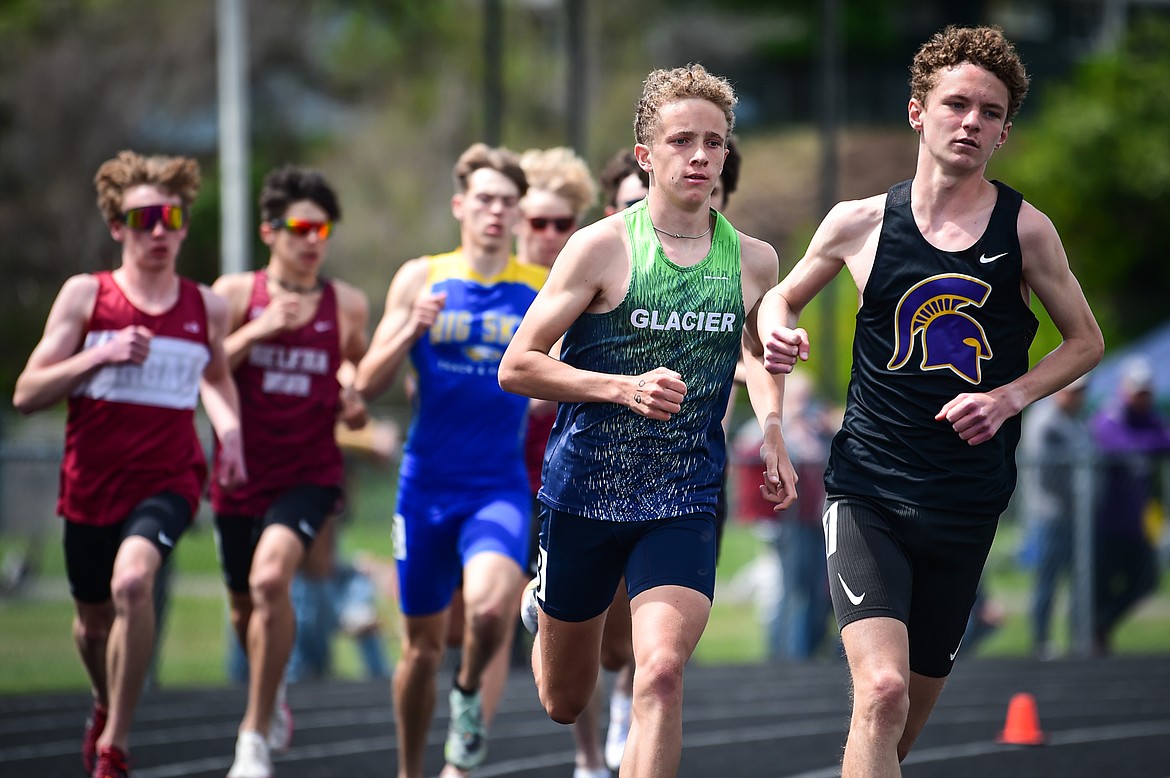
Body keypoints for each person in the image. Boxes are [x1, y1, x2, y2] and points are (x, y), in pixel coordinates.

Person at [758, 25, 1104, 776]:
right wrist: (779, 333)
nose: (971, 121)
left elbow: (1085, 342)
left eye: (989, 112)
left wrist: (1010, 398)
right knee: (878, 692)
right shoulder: (860, 223)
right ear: (919, 112)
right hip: (869, 491)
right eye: (957, 104)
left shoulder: (1027, 232)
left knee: (899, 730)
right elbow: (777, 301)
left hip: (967, 502)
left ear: (1005, 131)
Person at [500, 64, 785, 778]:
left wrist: (773, 430)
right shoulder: (600, 247)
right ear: (645, 155)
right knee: (565, 700)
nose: (698, 156)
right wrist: (620, 387)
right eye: (681, 140)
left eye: (713, 143)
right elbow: (518, 365)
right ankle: (547, 604)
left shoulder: (753, 261)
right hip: (585, 494)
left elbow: (761, 358)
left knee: (659, 672)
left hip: (682, 497)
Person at [11, 150, 246, 778]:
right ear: (118, 228)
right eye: (145, 220)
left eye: (172, 217)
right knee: (91, 628)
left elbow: (217, 379)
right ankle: (102, 702)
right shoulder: (88, 297)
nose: (161, 231)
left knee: (133, 584)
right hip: (91, 484)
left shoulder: (205, 307)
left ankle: (114, 743)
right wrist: (100, 355)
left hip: (168, 480)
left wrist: (231, 436)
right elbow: (27, 394)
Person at [354, 143, 543, 778]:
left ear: (519, 215)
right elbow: (365, 383)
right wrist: (411, 325)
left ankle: (468, 696)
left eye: (508, 202)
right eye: (485, 199)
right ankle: (411, 769)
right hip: (426, 488)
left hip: (498, 486)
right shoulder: (421, 276)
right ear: (460, 206)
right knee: (419, 650)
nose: (496, 211)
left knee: (491, 612)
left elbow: (557, 380)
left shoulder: (537, 285)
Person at [209, 165, 370, 778]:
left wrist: (352, 393)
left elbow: (357, 367)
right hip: (240, 473)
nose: (312, 240)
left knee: (272, 579)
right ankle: (269, 688)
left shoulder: (346, 302)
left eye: (322, 229)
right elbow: (207, 366)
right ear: (269, 231)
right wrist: (261, 328)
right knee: (243, 607)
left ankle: (252, 738)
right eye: (300, 227)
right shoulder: (232, 293)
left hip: (308, 472)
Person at [1090, 356, 1170, 655]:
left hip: (1137, 521)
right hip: (1104, 521)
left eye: (1147, 392)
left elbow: (1164, 439)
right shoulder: (1110, 414)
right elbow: (1116, 444)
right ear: (1124, 389)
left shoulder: (1149, 418)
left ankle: (1102, 626)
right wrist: (1146, 443)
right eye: (1138, 391)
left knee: (1147, 580)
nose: (1142, 398)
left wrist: (1144, 442)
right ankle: (1093, 639)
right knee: (1100, 585)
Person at [1020, 375, 1092, 659]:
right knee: (1047, 580)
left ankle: (1079, 638)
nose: (1078, 397)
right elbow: (1049, 474)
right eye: (1073, 391)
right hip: (1050, 515)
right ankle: (1041, 640)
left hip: (1074, 516)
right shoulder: (1046, 421)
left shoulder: (1074, 420)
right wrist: (1079, 497)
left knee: (1079, 580)